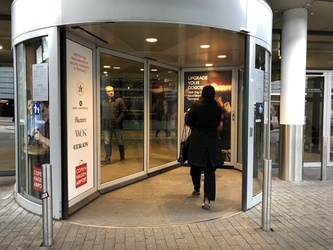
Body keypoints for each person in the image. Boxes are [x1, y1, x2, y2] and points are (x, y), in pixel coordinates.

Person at [185, 85, 224, 209]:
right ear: (213, 94)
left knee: (195, 167)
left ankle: (196, 189)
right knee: (210, 170)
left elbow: (189, 122)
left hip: (197, 140)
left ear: (202, 93)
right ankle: (207, 198)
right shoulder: (217, 107)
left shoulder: (196, 105)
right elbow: (217, 123)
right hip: (212, 141)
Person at [101, 85, 127, 164]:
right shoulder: (102, 102)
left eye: (112, 90)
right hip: (106, 124)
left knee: (120, 141)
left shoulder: (119, 100)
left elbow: (124, 111)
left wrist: (118, 120)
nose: (111, 92)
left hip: (117, 125)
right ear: (106, 92)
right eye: (109, 91)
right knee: (107, 141)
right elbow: (100, 112)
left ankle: (122, 156)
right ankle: (107, 158)